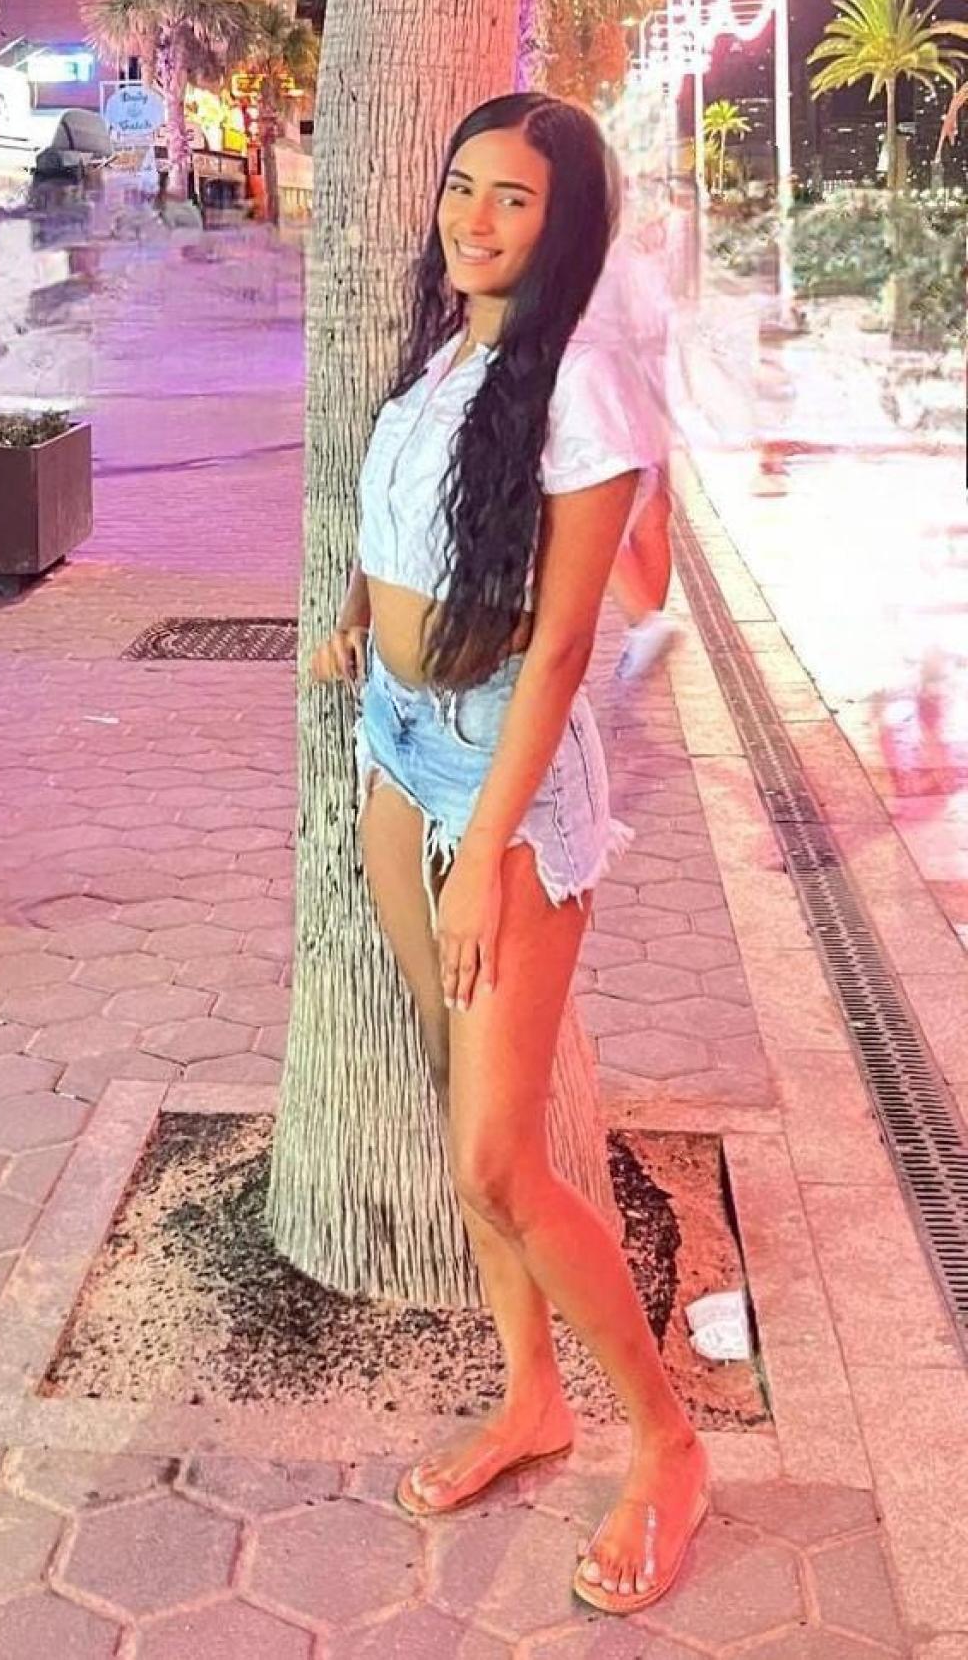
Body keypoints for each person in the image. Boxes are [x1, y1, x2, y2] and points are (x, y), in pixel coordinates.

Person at [311, 92, 708, 1617]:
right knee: (460, 1108)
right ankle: (532, 1399)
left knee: (496, 1155)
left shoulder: (585, 388)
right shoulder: (445, 352)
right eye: (463, 186)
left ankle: (666, 1444)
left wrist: (485, 854)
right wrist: (358, 618)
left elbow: (560, 651)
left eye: (514, 199)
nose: (473, 219)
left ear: (567, 222)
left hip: (504, 785)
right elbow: (403, 523)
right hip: (397, 748)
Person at [578, 172, 679, 684]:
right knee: (651, 514)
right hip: (646, 396)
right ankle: (646, 629)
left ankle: (645, 623)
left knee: (598, 523)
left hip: (604, 401)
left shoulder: (585, 255)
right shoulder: (638, 257)